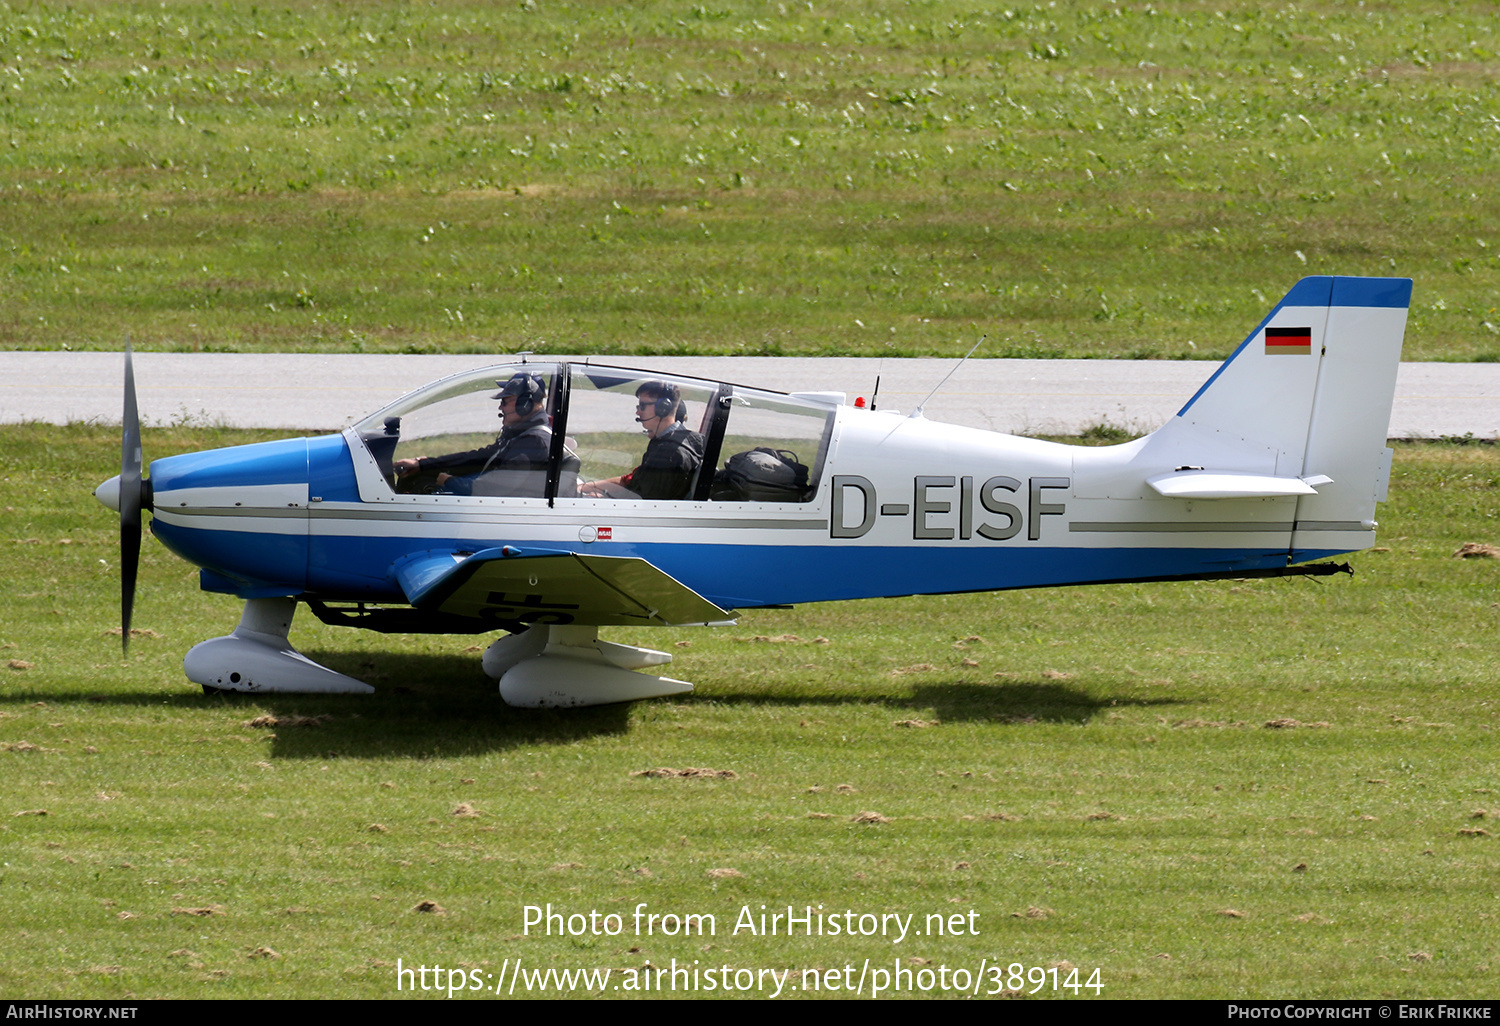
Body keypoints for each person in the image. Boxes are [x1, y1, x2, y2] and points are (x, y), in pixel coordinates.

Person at [393, 373, 553, 497]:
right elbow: (478, 458)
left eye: (505, 401)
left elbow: (493, 489)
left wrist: (450, 481)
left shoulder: (534, 442)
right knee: (419, 477)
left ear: (525, 404)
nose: (500, 407)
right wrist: (424, 465)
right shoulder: (522, 436)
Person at [579, 381, 704, 500]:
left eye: (643, 406)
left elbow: (646, 502)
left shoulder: (668, 454)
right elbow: (637, 484)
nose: (638, 411)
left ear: (663, 408)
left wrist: (605, 498)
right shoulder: (688, 440)